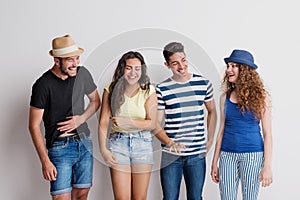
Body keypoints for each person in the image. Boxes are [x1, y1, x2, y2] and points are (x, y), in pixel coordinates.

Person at [29, 34, 101, 200]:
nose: (76, 64)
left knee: (82, 196)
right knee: (61, 198)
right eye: (70, 60)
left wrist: (81, 119)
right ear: (56, 61)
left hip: (84, 143)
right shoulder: (43, 85)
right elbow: (33, 126)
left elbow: (96, 101)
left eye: (77, 58)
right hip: (59, 149)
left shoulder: (82, 74)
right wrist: (45, 161)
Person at [154, 42, 217, 200]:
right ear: (167, 65)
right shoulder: (162, 88)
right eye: (175, 63)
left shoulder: (203, 84)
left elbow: (212, 111)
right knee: (169, 198)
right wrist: (170, 143)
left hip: (196, 155)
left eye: (183, 60)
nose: (181, 66)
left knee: (195, 197)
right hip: (170, 156)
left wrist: (210, 140)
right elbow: (155, 125)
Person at [211, 49, 273, 200]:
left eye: (233, 66)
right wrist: (214, 162)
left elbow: (267, 134)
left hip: (253, 155)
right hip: (227, 156)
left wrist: (267, 166)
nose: (228, 70)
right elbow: (221, 131)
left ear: (244, 70)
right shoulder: (223, 97)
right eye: (228, 66)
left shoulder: (262, 98)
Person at [98, 51, 157, 200]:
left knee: (140, 198)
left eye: (137, 69)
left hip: (142, 143)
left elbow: (152, 123)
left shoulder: (148, 90)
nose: (133, 73)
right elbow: (104, 121)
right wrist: (103, 150)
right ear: (122, 69)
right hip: (118, 143)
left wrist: (128, 122)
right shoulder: (110, 89)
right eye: (129, 68)